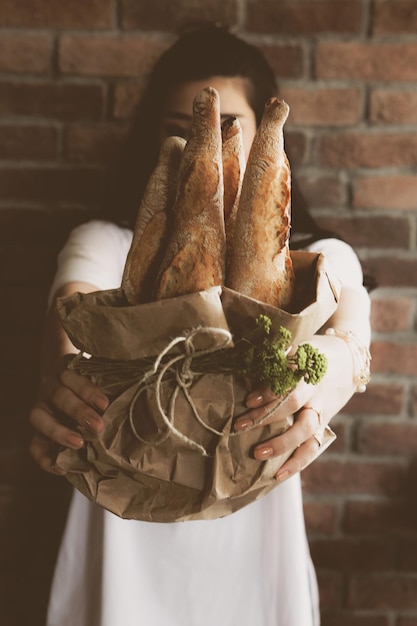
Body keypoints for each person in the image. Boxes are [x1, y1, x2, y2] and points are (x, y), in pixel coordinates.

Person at [28, 24, 371, 626]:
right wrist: (63, 377)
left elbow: (350, 309)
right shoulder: (110, 245)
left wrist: (334, 370)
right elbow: (72, 309)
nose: (202, 148)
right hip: (123, 530)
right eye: (181, 130)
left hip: (254, 545)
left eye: (227, 131)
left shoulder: (308, 266)